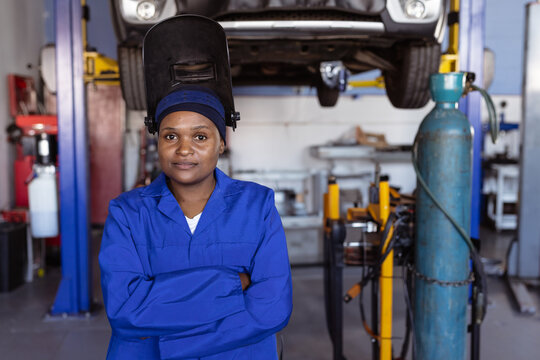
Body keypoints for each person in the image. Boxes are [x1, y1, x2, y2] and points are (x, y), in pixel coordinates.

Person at [99, 15, 293, 360]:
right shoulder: (127, 213)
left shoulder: (257, 205)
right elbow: (125, 310)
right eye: (171, 136)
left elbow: (272, 307)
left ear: (221, 143)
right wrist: (233, 285)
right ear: (158, 143)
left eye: (200, 136)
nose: (184, 149)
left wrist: (172, 341)